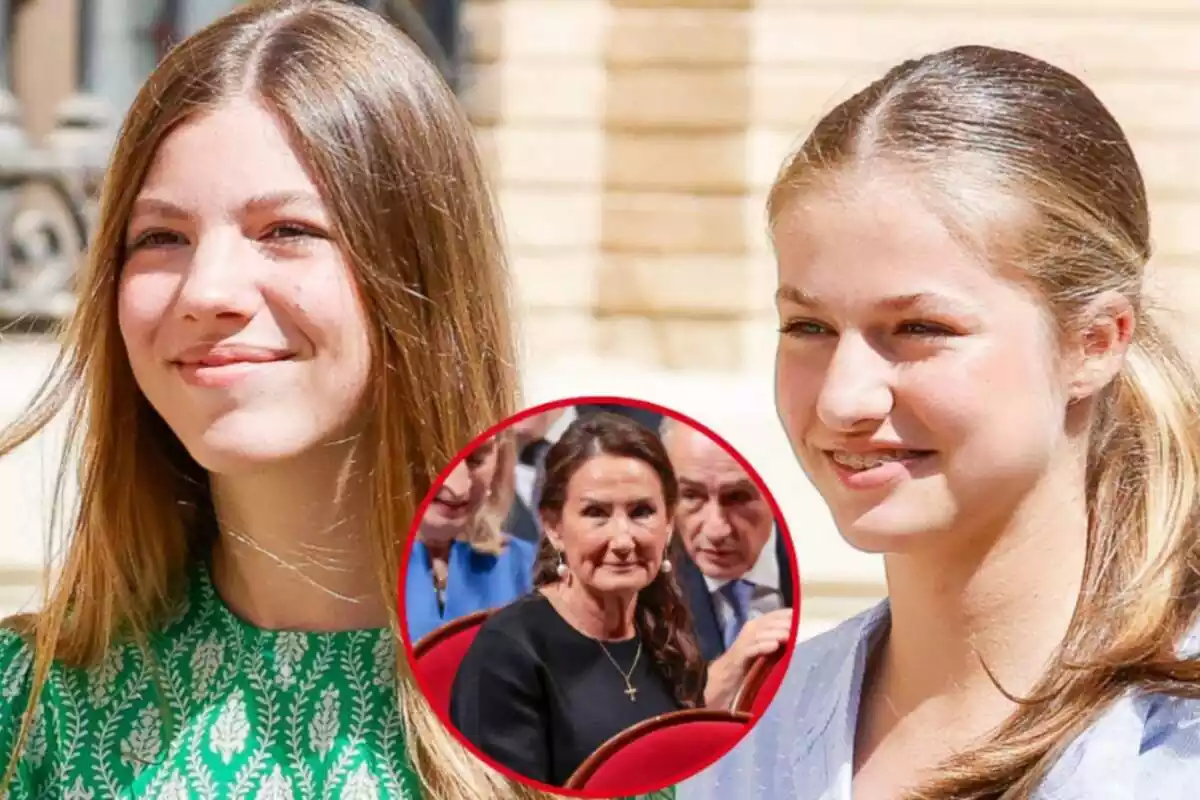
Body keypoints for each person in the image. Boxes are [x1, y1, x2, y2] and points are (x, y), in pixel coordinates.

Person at [0, 3, 625, 800]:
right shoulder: (31, 705)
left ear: (420, 274)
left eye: (287, 229)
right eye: (161, 237)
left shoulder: (610, 720)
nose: (208, 290)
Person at [680, 44, 1200, 800]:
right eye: (809, 328)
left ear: (1094, 342)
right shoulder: (750, 740)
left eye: (921, 328)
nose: (842, 400)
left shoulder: (1172, 748)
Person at [449, 413, 707, 788]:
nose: (622, 540)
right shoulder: (507, 654)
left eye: (642, 512)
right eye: (596, 513)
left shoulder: (670, 634)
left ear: (668, 524)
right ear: (554, 527)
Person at [659, 417, 793, 707]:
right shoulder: (635, 580)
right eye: (691, 495)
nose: (716, 530)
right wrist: (725, 675)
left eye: (738, 497)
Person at [405, 433, 536, 643]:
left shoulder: (530, 566)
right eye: (435, 458)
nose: (458, 489)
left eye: (476, 460)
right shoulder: (354, 567)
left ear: (499, 459)